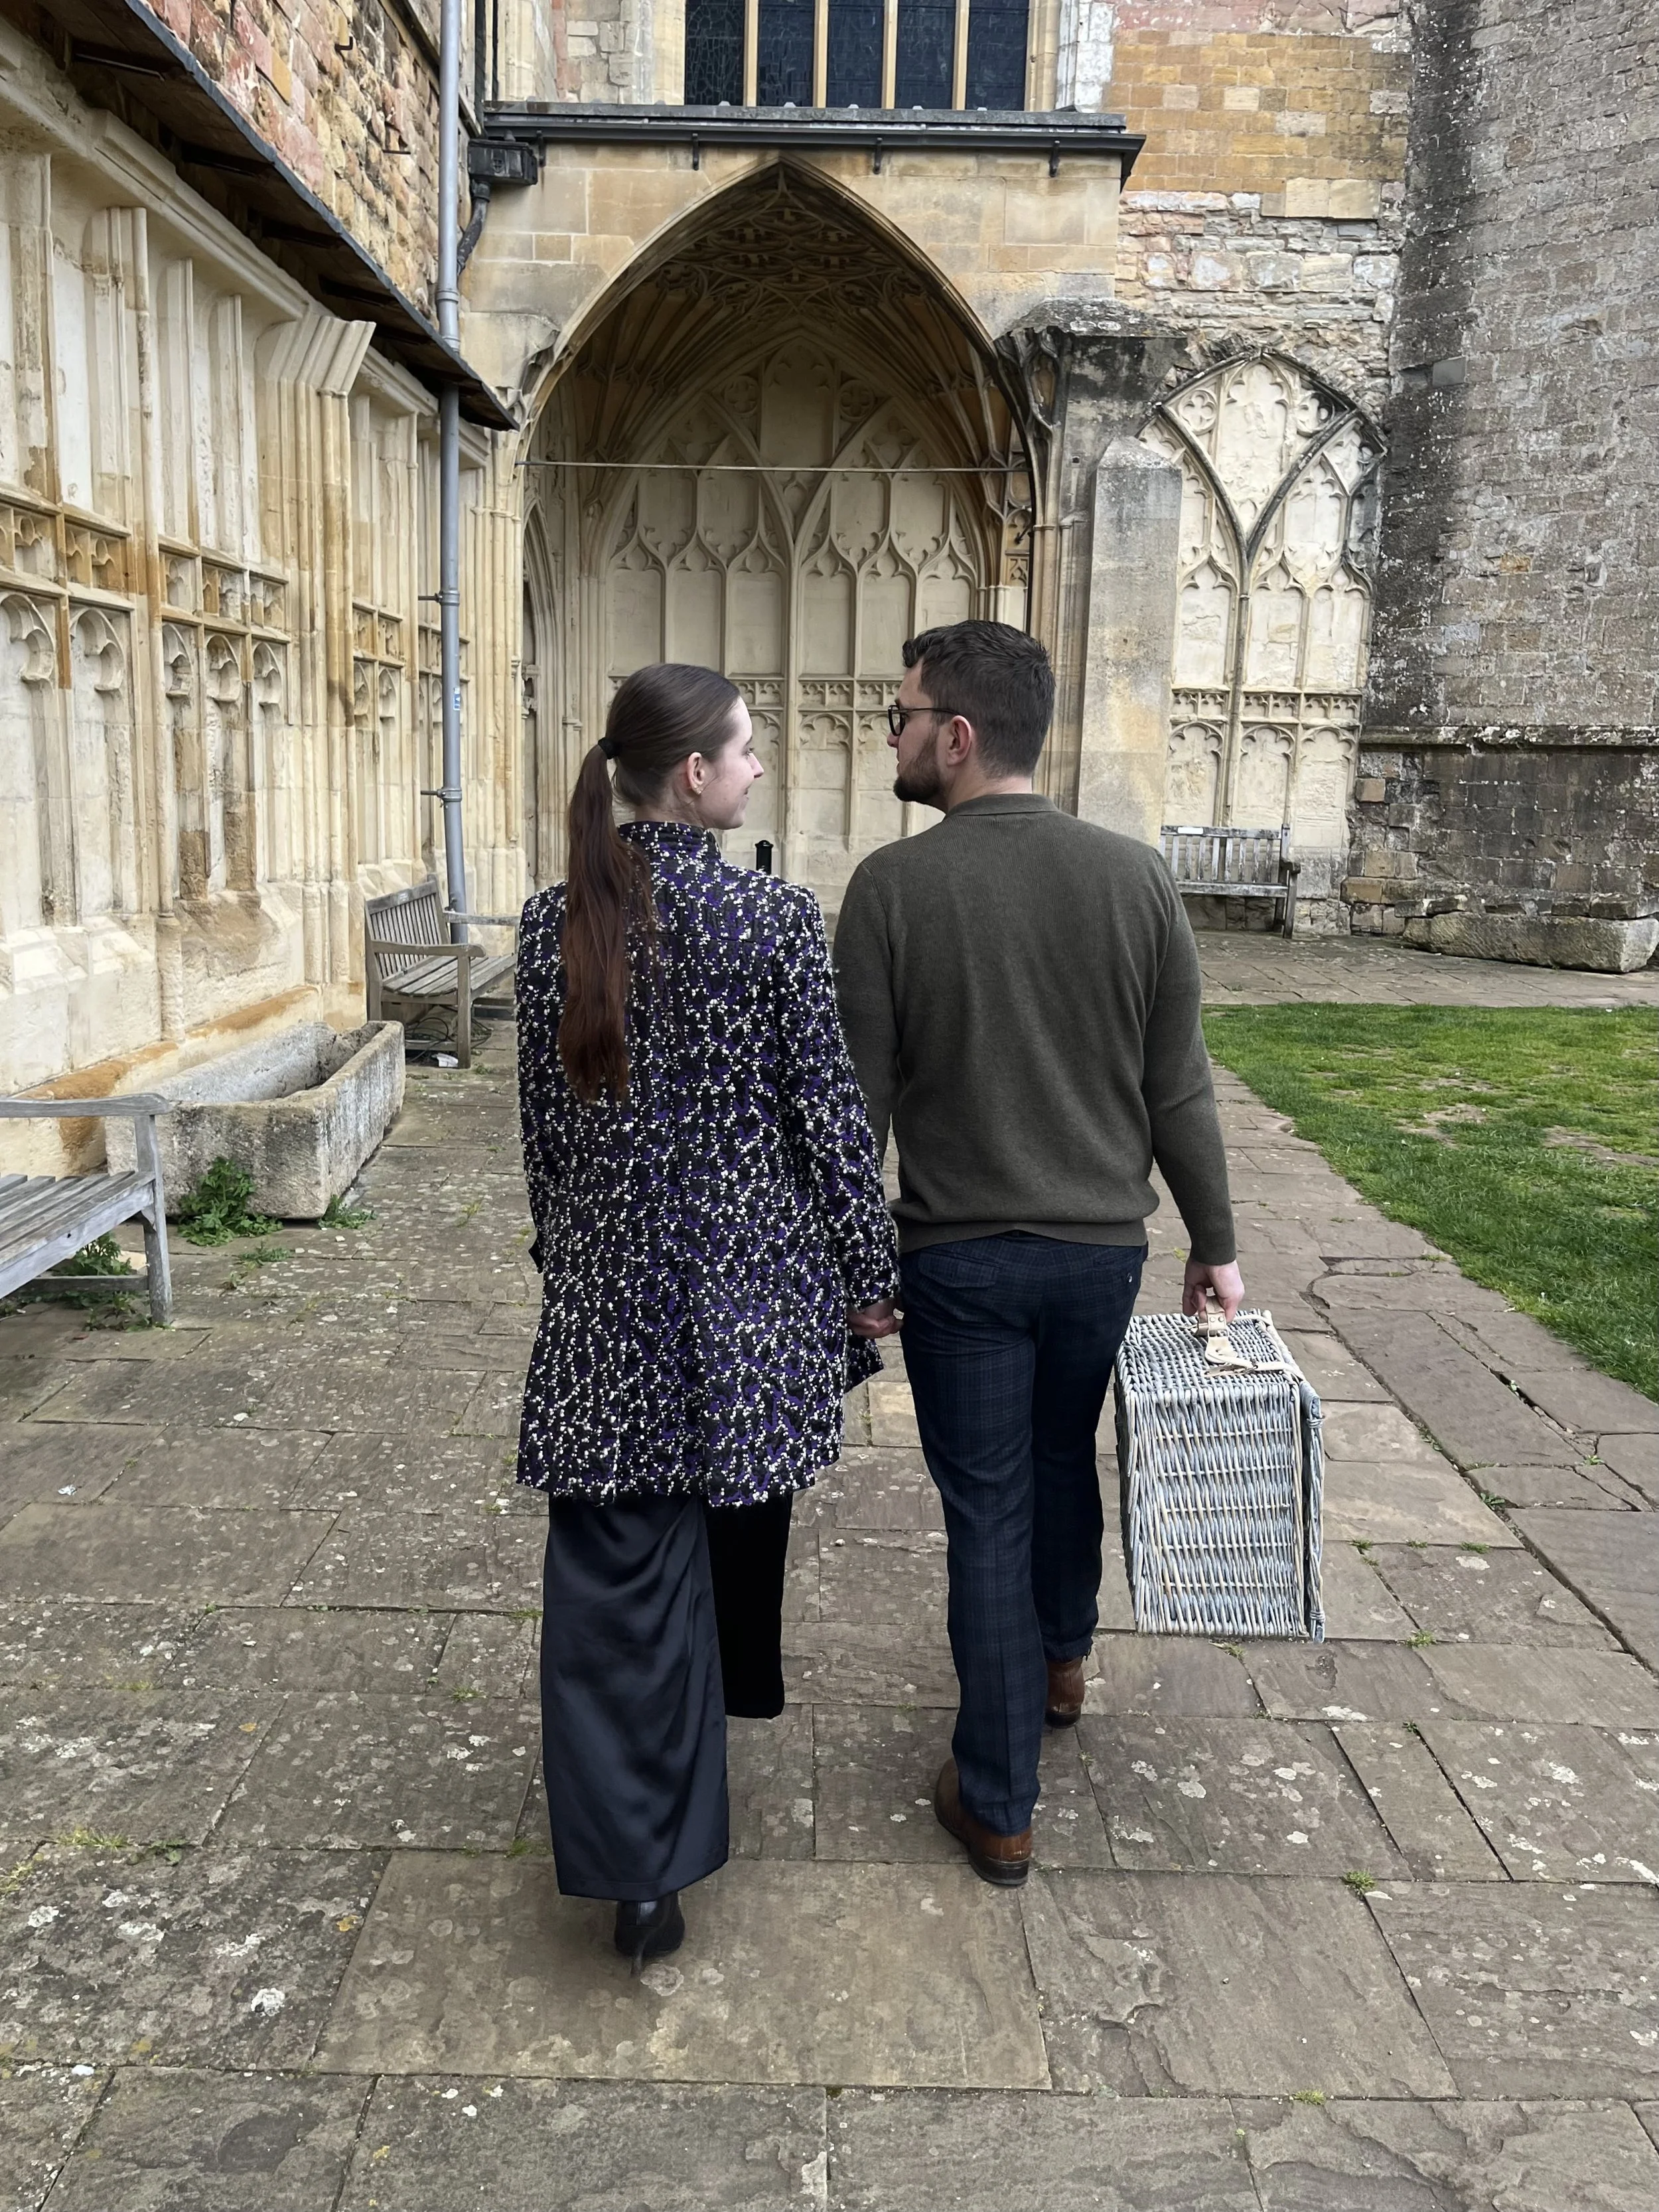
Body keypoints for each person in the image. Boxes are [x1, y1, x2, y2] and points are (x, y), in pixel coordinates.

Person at [833, 619, 1244, 1889]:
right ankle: (1063, 1660)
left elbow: (862, 1105)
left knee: (988, 1512)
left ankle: (999, 1797)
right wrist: (1212, 1244)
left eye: (902, 716)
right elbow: (1177, 1088)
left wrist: (854, 1266)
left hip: (960, 1264)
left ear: (957, 738)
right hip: (1096, 1259)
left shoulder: (892, 889)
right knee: (1065, 1459)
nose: (890, 735)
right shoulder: (1136, 880)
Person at [516, 662, 899, 1968]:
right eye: (743, 752)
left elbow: (543, 1132)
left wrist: (562, 1255)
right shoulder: (770, 922)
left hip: (610, 1304)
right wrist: (868, 1275)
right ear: (692, 775)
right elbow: (828, 1126)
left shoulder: (547, 924)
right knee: (722, 1520)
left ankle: (637, 1872)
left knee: (615, 1581)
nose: (754, 769)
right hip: (743, 1309)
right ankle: (718, 1719)